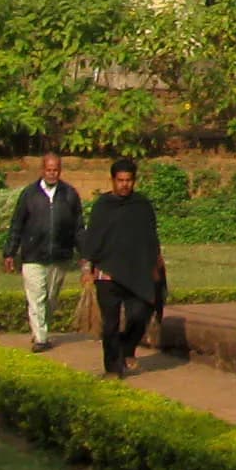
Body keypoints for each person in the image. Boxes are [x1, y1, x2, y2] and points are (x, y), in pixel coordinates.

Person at [80, 156, 167, 379]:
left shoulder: (142, 205)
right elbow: (93, 238)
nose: (124, 184)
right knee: (110, 324)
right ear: (112, 180)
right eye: (120, 180)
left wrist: (156, 264)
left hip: (137, 271)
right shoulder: (103, 206)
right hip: (107, 273)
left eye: (128, 180)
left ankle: (127, 349)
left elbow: (151, 237)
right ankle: (112, 369)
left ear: (134, 181)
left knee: (139, 315)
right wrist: (87, 270)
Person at [0, 152, 85, 353]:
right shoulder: (29, 195)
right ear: (42, 170)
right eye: (49, 170)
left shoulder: (69, 194)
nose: (52, 173)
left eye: (55, 170)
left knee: (50, 299)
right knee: (36, 296)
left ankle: (41, 330)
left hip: (59, 255)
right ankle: (41, 338)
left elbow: (78, 227)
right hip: (33, 255)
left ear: (60, 171)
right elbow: (17, 224)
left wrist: (85, 253)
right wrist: (9, 252)